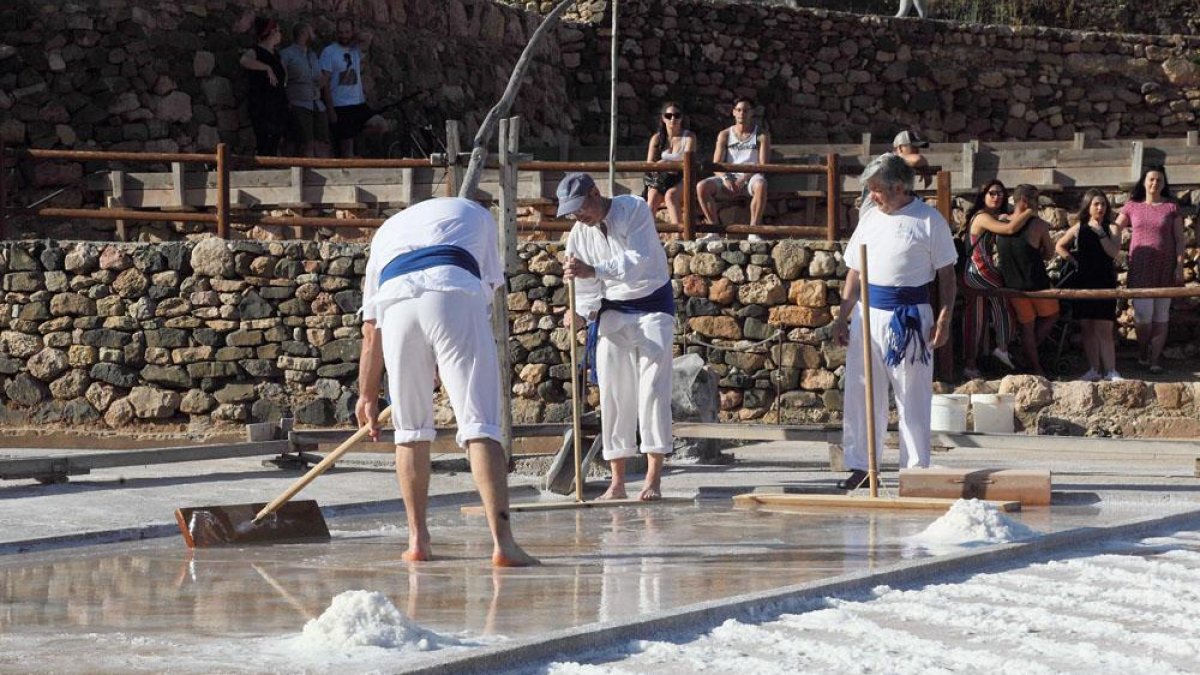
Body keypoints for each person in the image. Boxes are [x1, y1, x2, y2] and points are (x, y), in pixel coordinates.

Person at [356, 197, 537, 568]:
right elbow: (486, 287)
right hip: (452, 290)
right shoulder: (480, 214)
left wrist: (366, 396)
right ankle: (503, 543)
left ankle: (417, 539)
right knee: (479, 425)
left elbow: (371, 331)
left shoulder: (386, 233)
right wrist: (445, 349)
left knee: (410, 430)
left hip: (397, 307)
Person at [831, 154, 957, 491]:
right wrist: (842, 315)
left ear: (898, 187)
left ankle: (914, 470)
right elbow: (854, 271)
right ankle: (861, 465)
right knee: (860, 391)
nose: (871, 196)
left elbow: (947, 275)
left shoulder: (930, 221)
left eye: (876, 190)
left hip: (911, 316)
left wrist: (944, 316)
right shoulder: (870, 218)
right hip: (867, 313)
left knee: (911, 395)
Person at [559, 173, 674, 502]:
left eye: (580, 208)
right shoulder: (579, 235)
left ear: (595, 193)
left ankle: (653, 478)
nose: (578, 216)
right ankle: (618, 481)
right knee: (614, 393)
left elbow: (637, 261)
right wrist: (580, 315)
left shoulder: (634, 208)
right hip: (613, 310)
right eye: (572, 212)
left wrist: (593, 270)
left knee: (652, 389)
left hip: (653, 305)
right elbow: (585, 291)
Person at [1115, 165, 1185, 374]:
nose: (1155, 183)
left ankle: (1155, 360)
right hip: (1140, 267)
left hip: (1165, 267)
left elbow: (1180, 240)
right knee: (1143, 317)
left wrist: (1179, 266)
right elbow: (1115, 228)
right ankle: (1143, 350)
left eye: (1159, 180)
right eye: (1151, 179)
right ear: (1144, 181)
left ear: (1164, 184)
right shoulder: (1132, 206)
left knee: (1161, 315)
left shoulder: (1171, 207)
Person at [960, 179, 1029, 379]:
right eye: (992, 193)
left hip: (977, 272)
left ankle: (971, 365)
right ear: (984, 196)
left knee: (976, 317)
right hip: (979, 271)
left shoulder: (992, 216)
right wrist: (1028, 212)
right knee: (1005, 298)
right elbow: (1008, 229)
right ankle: (1002, 346)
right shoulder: (982, 217)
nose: (997, 197)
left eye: (1000, 193)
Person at [1056, 189, 1121, 382]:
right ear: (1088, 206)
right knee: (1087, 327)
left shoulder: (1112, 228)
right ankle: (1094, 369)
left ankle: (1111, 370)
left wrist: (1101, 233)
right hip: (1084, 281)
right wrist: (1073, 261)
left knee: (1105, 327)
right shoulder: (1079, 227)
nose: (1100, 208)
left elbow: (1113, 253)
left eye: (1103, 204)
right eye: (1096, 204)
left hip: (1104, 280)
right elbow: (1060, 245)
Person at [996, 184, 1058, 377]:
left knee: (1027, 326)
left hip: (1012, 285)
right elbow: (1049, 253)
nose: (1038, 205)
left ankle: (1034, 365)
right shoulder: (1037, 224)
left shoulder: (1001, 221)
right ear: (1025, 201)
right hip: (1036, 284)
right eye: (1036, 200)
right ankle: (1027, 356)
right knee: (1052, 316)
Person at [696, 97, 771, 235]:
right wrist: (726, 178)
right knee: (702, 186)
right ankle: (714, 230)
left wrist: (743, 179)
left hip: (751, 177)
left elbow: (762, 165)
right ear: (733, 112)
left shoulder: (761, 135)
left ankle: (754, 230)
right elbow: (716, 163)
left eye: (746, 110)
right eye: (739, 110)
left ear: (752, 113)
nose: (742, 113)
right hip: (729, 177)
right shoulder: (725, 135)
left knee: (761, 184)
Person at [320, 18, 372, 157]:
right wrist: (330, 110)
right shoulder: (329, 52)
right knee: (347, 148)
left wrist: (354, 37)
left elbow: (368, 37)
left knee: (380, 124)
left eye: (347, 32)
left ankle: (355, 135)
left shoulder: (355, 50)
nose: (343, 35)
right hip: (341, 105)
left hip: (358, 103)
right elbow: (325, 82)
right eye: (340, 32)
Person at [279, 22, 330, 157]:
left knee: (322, 141)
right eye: (310, 32)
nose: (313, 36)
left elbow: (318, 77)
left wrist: (323, 80)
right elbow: (281, 79)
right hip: (299, 104)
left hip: (317, 104)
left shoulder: (312, 55)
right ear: (304, 34)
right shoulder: (286, 55)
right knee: (306, 143)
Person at [239, 17, 289, 156]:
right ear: (272, 32)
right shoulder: (256, 51)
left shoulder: (276, 54)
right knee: (264, 140)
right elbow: (244, 60)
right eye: (278, 31)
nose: (280, 34)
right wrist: (266, 68)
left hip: (277, 103)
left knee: (276, 139)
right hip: (262, 104)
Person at [643, 102, 696, 225]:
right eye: (669, 115)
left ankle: (679, 236)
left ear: (681, 118)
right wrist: (661, 166)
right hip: (662, 178)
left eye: (676, 115)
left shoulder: (689, 137)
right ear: (663, 118)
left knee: (670, 196)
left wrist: (667, 163)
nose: (673, 119)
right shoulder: (657, 138)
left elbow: (688, 160)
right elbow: (649, 163)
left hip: (682, 176)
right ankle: (645, 235)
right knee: (652, 198)